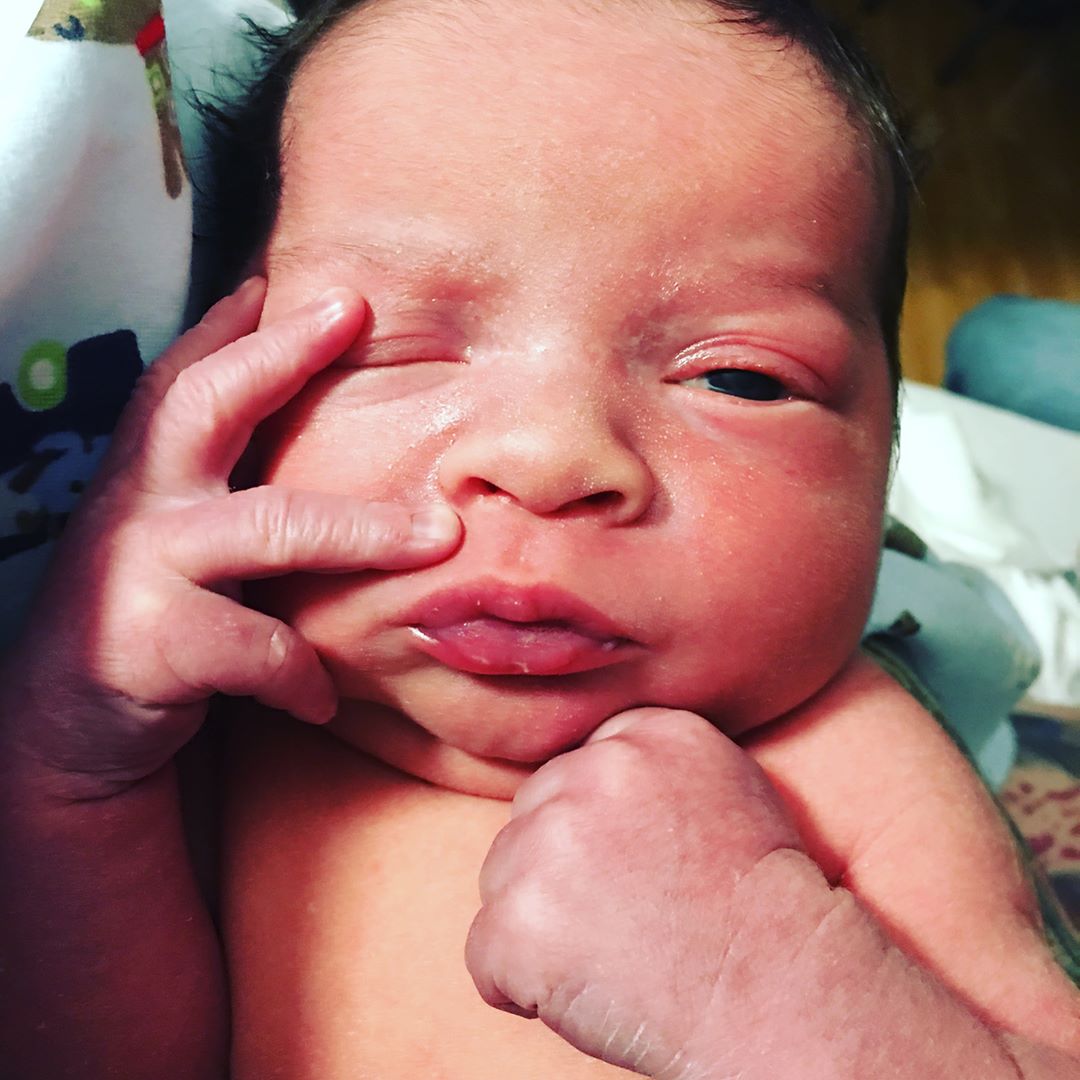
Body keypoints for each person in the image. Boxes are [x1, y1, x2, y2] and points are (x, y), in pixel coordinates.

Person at [3, 1, 1079, 1077]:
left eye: (740, 379)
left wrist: (770, 995)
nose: (552, 460)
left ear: (885, 455)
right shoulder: (200, 729)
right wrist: (70, 765)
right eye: (389, 348)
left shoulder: (836, 764)